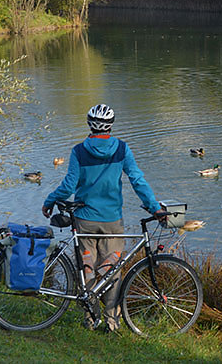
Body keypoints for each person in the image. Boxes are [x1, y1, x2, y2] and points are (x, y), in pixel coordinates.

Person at [42, 103, 165, 331]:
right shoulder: (122, 149)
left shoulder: (79, 151)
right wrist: (154, 207)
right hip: (112, 220)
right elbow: (137, 180)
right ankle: (112, 322)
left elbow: (69, 184)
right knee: (112, 269)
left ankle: (90, 319)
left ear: (89, 124)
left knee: (86, 267)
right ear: (110, 125)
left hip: (84, 218)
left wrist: (49, 200)